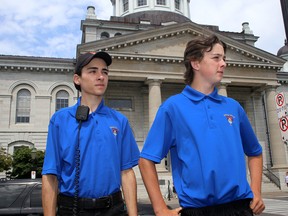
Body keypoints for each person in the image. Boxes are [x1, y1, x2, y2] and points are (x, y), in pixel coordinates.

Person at [139, 34, 265, 216]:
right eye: (216, 58)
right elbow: (146, 160)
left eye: (224, 58)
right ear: (195, 63)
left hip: (240, 208)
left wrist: (256, 191)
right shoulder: (173, 108)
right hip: (197, 211)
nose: (223, 63)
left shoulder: (233, 107)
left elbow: (255, 152)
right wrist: (160, 209)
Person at [42, 51, 140, 216]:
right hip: (72, 209)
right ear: (77, 79)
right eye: (93, 71)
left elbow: (127, 172)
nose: (101, 76)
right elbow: (50, 176)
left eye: (105, 72)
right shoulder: (60, 120)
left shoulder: (119, 121)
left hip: (113, 209)